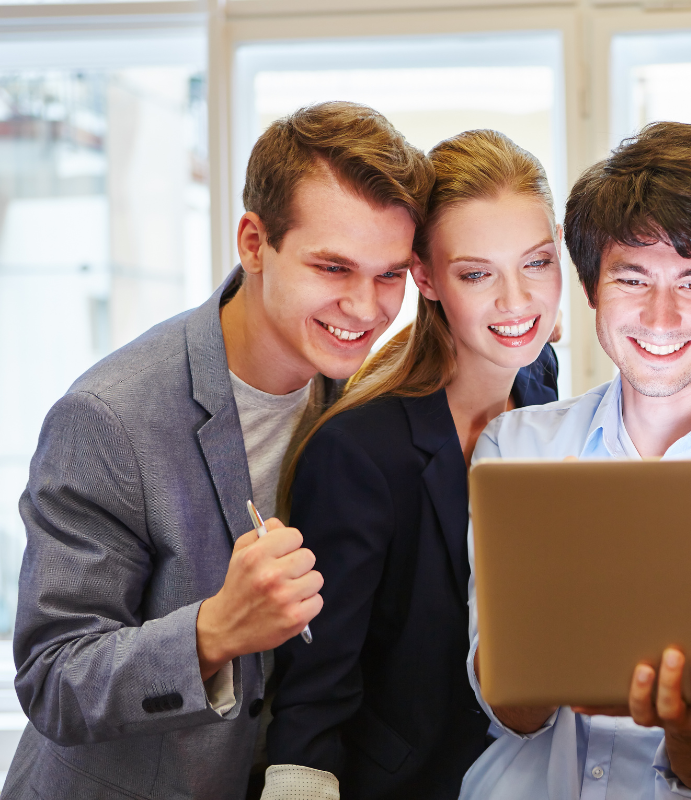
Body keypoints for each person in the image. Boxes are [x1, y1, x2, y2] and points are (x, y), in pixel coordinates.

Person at [2, 101, 433, 800]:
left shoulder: (363, 400)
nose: (366, 308)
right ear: (254, 242)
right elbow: (52, 676)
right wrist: (210, 632)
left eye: (389, 276)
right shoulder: (108, 417)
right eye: (333, 267)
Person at [459, 121, 691, 800]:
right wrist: (556, 623)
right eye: (631, 278)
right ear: (592, 289)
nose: (660, 316)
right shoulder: (517, 450)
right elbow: (507, 709)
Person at [261, 129, 562, 800]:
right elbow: (315, 695)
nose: (517, 302)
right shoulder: (361, 451)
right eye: (477, 274)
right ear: (426, 278)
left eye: (536, 264)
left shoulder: (541, 384)